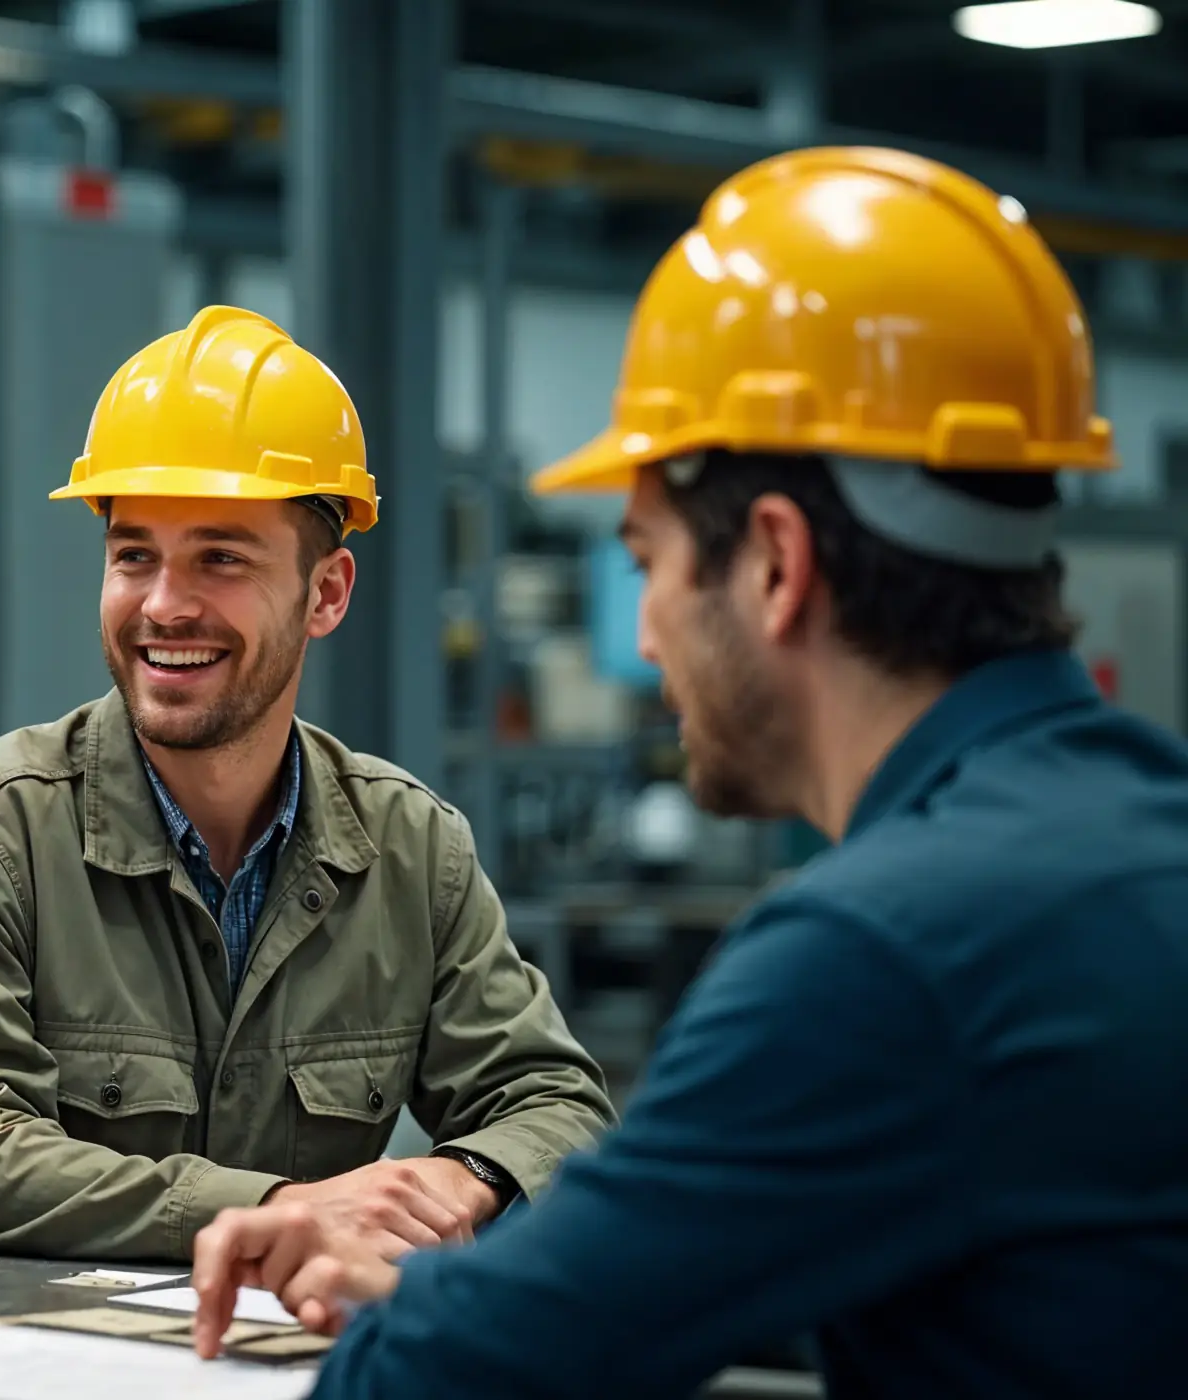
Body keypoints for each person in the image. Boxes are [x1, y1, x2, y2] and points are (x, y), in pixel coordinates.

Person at [189, 146, 1188, 1397]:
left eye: (647, 555)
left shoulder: (877, 956)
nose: (646, 629)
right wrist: (460, 1283)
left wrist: (428, 1321)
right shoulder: (1144, 831)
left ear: (773, 564)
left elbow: (454, 1381)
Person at [0, 304, 613, 1262]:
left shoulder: (412, 850)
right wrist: (282, 1211)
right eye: (135, 554)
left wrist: (460, 1182)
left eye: (220, 557)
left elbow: (553, 1101)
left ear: (327, 593)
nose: (166, 605)